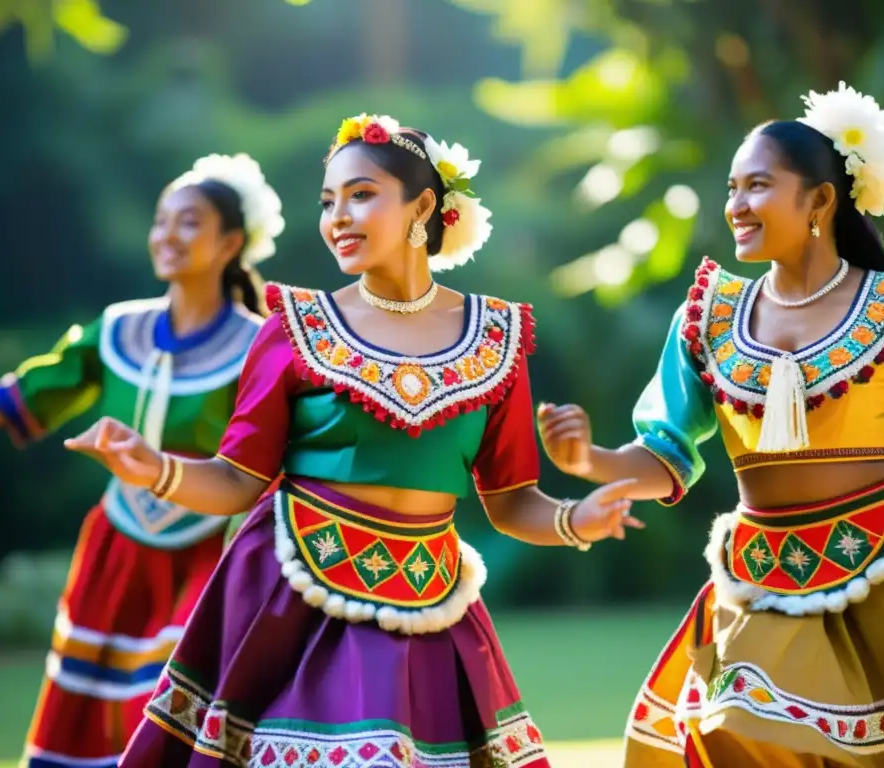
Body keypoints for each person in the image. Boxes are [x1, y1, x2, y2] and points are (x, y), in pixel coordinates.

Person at [64, 113, 644, 767]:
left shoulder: (497, 338)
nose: (338, 216)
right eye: (328, 201)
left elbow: (511, 503)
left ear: (424, 206)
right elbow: (236, 480)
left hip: (429, 600)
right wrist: (155, 469)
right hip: (293, 598)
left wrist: (576, 519)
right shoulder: (294, 329)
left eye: (361, 195)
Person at [538, 83, 884, 767]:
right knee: (738, 723)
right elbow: (665, 454)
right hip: (760, 579)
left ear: (821, 202)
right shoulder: (709, 318)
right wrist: (590, 460)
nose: (736, 205)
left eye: (758, 186)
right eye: (733, 188)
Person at [0, 152, 284, 767]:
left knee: (174, 718)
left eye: (189, 222)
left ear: (231, 241)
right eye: (162, 220)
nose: (167, 235)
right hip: (116, 552)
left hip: (208, 555)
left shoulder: (260, 346)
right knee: (88, 725)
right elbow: (13, 398)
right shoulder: (116, 331)